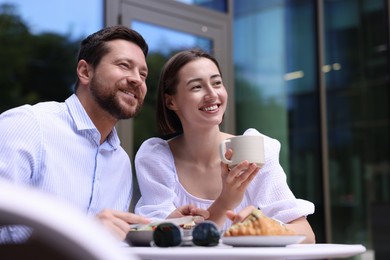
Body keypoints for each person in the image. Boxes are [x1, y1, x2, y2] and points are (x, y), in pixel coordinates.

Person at [134, 49, 316, 243]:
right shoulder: (156, 157)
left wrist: (265, 228)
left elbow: (306, 235)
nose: (212, 94)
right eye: (197, 87)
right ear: (171, 101)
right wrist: (225, 203)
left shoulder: (253, 149)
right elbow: (160, 241)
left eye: (217, 83)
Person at [0, 25, 152, 243]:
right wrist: (82, 232)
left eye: (143, 74)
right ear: (85, 71)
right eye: (124, 65)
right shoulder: (27, 125)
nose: (137, 79)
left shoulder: (121, 163)